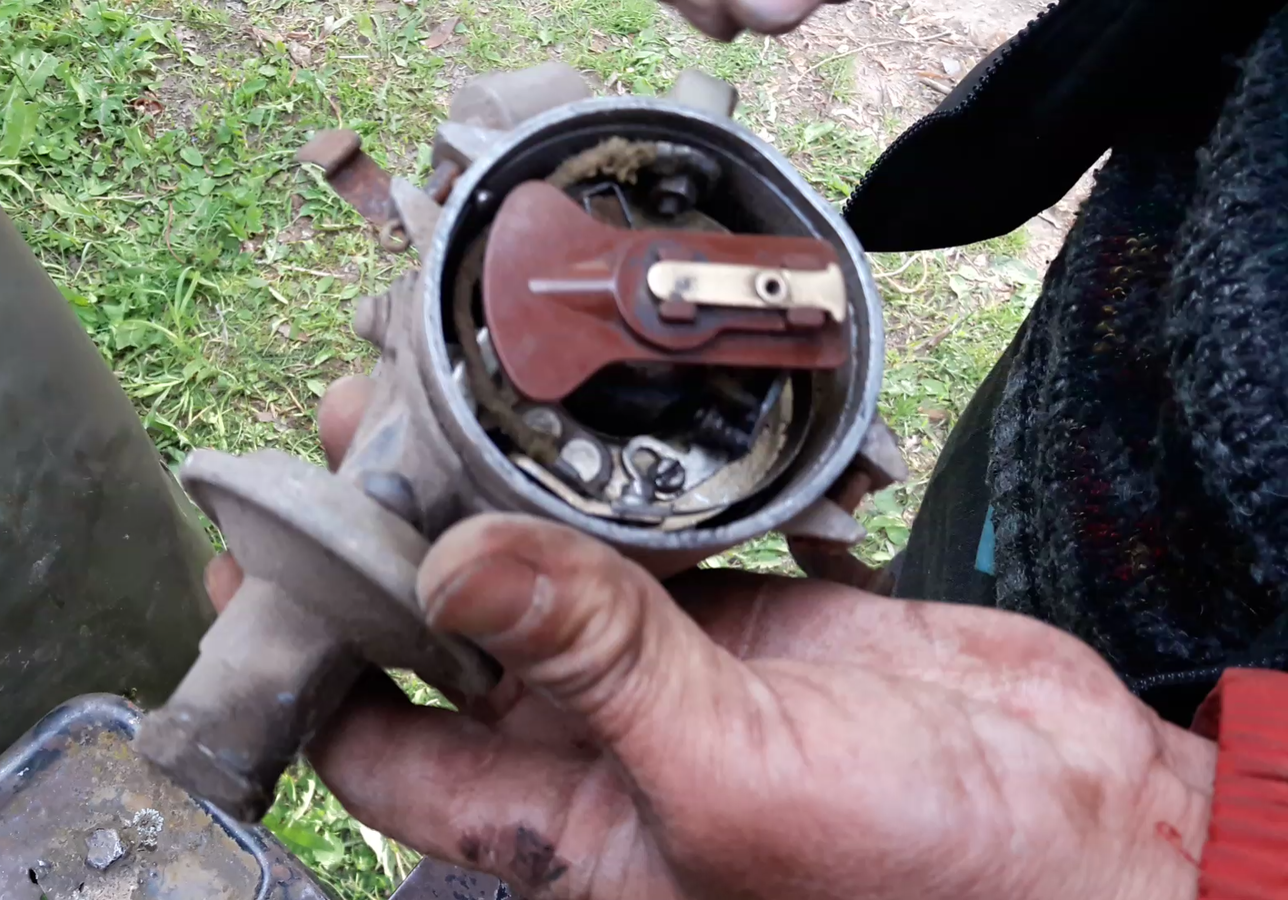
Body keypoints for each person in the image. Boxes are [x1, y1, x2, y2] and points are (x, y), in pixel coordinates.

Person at [211, 0, 1288, 895]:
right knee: (963, 590)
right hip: (1100, 420)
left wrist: (1161, 851)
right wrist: (1200, 819)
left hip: (1208, 686)